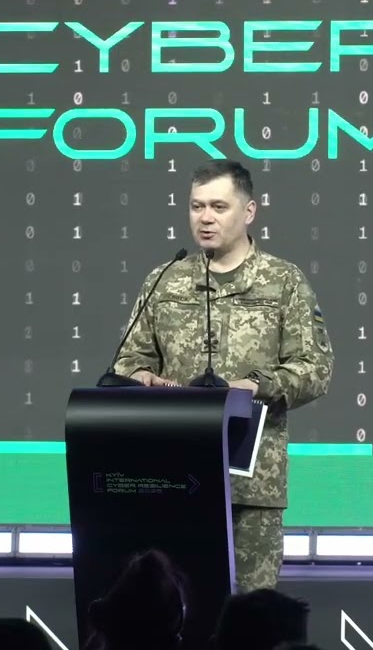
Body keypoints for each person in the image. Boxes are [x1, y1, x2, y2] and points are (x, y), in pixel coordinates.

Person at [113, 159, 334, 591]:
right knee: (171, 605)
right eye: (197, 206)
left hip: (250, 486)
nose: (205, 218)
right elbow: (127, 358)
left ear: (249, 212)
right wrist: (141, 376)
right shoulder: (166, 280)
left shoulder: (283, 282)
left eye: (218, 206)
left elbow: (315, 368)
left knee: (249, 613)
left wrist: (255, 386)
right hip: (172, 479)